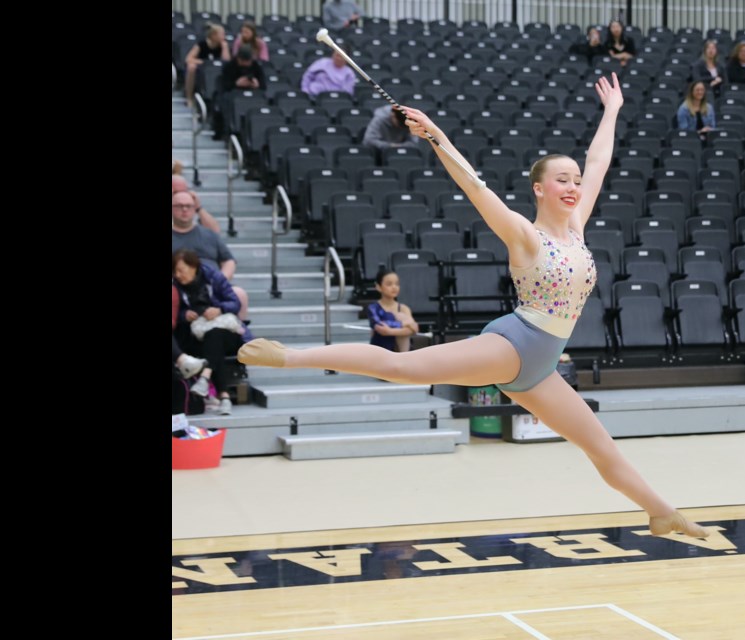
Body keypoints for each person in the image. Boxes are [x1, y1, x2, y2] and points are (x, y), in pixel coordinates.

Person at [239, 72, 710, 539]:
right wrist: (438, 138)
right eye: (561, 180)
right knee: (402, 368)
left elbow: (599, 159)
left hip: (540, 369)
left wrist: (612, 111)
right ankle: (290, 356)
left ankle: (661, 511)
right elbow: (475, 186)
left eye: (576, 180)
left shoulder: (577, 227)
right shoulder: (525, 235)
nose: (573, 185)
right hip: (516, 343)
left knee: (602, 449)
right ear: (539, 189)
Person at [173, 249, 251, 415]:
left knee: (214, 334)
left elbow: (235, 303)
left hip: (227, 331)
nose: (178, 275)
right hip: (196, 333)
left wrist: (219, 309)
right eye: (175, 271)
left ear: (193, 266)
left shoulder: (214, 277)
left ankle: (206, 380)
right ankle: (223, 396)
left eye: (181, 270)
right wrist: (184, 315)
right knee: (212, 341)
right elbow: (175, 313)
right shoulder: (176, 286)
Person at [172, 191, 249, 321]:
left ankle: (240, 337)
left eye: (189, 206)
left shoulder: (209, 235)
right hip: (180, 288)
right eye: (179, 206)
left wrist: (219, 280)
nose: (184, 209)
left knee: (239, 294)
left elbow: (228, 261)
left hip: (212, 285)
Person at [214, 45, 268, 139]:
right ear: (239, 59)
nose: (247, 64)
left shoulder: (256, 66)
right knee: (223, 100)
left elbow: (263, 86)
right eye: (244, 61)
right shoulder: (229, 66)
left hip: (253, 95)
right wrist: (237, 84)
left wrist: (257, 85)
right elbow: (224, 86)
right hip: (233, 94)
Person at [368, 270, 419, 352]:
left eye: (397, 284)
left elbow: (412, 329)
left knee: (401, 316)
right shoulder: (373, 308)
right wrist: (403, 324)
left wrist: (389, 331)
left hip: (400, 349)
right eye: (389, 284)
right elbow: (379, 326)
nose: (394, 287)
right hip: (380, 350)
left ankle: (403, 358)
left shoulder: (403, 308)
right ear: (378, 287)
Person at [185, 23, 231, 107]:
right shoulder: (201, 45)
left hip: (217, 70)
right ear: (213, 35)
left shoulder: (223, 46)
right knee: (191, 67)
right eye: (222, 34)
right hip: (202, 68)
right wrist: (203, 62)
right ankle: (189, 97)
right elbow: (188, 59)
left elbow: (226, 61)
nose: (224, 36)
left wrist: (225, 47)